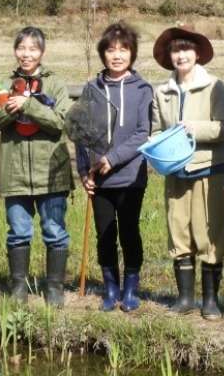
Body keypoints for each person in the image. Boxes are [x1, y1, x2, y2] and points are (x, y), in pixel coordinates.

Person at [0, 27, 73, 307]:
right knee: (18, 230)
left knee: (54, 230)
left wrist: (29, 105)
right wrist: (8, 109)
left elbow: (61, 122)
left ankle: (54, 286)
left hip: (51, 173)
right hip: (15, 171)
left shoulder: (55, 83)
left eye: (33, 49)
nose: (27, 54)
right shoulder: (5, 85)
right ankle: (19, 285)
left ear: (42, 52)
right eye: (22, 48)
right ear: (15, 51)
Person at [150, 25, 224, 319]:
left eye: (186, 49)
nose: (181, 55)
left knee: (210, 232)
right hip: (175, 173)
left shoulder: (214, 86)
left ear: (197, 54)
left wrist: (194, 129)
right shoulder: (162, 92)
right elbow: (156, 130)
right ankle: (185, 298)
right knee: (178, 231)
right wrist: (155, 147)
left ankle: (210, 300)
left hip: (210, 170)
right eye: (175, 50)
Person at [76, 22, 153, 312]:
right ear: (103, 54)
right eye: (111, 50)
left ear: (132, 54)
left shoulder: (142, 89)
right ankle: (110, 287)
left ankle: (131, 288)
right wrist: (84, 172)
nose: (117, 55)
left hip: (131, 175)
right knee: (105, 233)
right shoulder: (91, 89)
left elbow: (142, 133)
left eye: (123, 50)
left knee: (129, 232)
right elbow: (80, 132)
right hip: (100, 180)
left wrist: (113, 158)